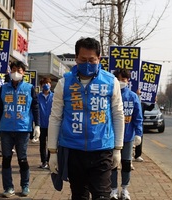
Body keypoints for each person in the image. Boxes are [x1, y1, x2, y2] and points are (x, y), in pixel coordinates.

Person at [47, 37, 125, 200]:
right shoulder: (64, 83)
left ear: (99, 59)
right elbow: (55, 118)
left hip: (102, 149)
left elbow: (118, 114)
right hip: (73, 150)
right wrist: (52, 152)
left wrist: (118, 148)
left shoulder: (111, 82)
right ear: (76, 58)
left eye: (92, 60)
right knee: (79, 196)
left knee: (102, 196)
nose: (87, 63)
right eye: (83, 59)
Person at [0, 61, 40, 198]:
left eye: (19, 70)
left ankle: (25, 185)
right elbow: (0, 108)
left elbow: (35, 107)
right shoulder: (3, 88)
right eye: (13, 69)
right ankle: (8, 187)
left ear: (23, 72)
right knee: (6, 159)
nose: (16, 72)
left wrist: (37, 125)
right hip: (6, 128)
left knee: (22, 159)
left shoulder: (29, 88)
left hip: (23, 129)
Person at [110, 69, 143, 200]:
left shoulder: (133, 97)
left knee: (126, 163)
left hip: (128, 137)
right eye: (119, 79)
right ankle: (113, 189)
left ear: (128, 80)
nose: (122, 82)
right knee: (113, 163)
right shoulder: (111, 96)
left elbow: (138, 117)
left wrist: (138, 133)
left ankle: (124, 189)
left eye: (124, 79)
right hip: (112, 137)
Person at [133, 89, 154, 162]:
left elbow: (150, 108)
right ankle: (128, 156)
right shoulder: (130, 100)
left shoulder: (142, 104)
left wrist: (154, 102)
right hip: (130, 123)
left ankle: (137, 155)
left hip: (139, 124)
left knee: (139, 139)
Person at [37, 77, 54, 169]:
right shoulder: (38, 97)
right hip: (41, 124)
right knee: (42, 144)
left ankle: (50, 161)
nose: (46, 85)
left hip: (52, 124)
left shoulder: (54, 96)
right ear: (41, 85)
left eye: (48, 83)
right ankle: (44, 161)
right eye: (44, 83)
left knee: (51, 144)